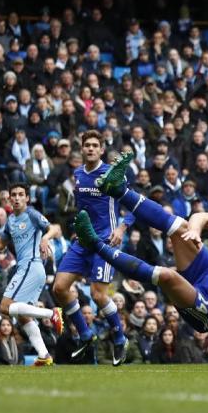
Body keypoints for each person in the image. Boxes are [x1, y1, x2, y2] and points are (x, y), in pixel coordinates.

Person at [80, 151, 208, 371]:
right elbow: (203, 217)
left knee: (167, 275)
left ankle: (95, 243)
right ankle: (117, 189)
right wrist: (194, 230)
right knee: (180, 227)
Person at [51, 131, 132, 366]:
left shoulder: (113, 174)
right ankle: (86, 335)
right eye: (87, 145)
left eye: (95, 145)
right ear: (82, 148)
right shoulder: (77, 174)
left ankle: (119, 338)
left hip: (105, 241)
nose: (91, 149)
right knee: (59, 287)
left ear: (102, 150)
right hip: (83, 241)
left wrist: (121, 228)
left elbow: (134, 207)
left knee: (98, 294)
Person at [0, 183, 65, 366]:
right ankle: (44, 355)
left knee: (4, 307)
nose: (16, 198)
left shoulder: (32, 214)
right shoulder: (11, 220)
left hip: (31, 265)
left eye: (21, 194)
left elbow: (54, 228)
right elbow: (1, 245)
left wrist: (46, 238)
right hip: (28, 268)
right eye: (13, 194)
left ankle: (51, 313)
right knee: (23, 316)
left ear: (27, 198)